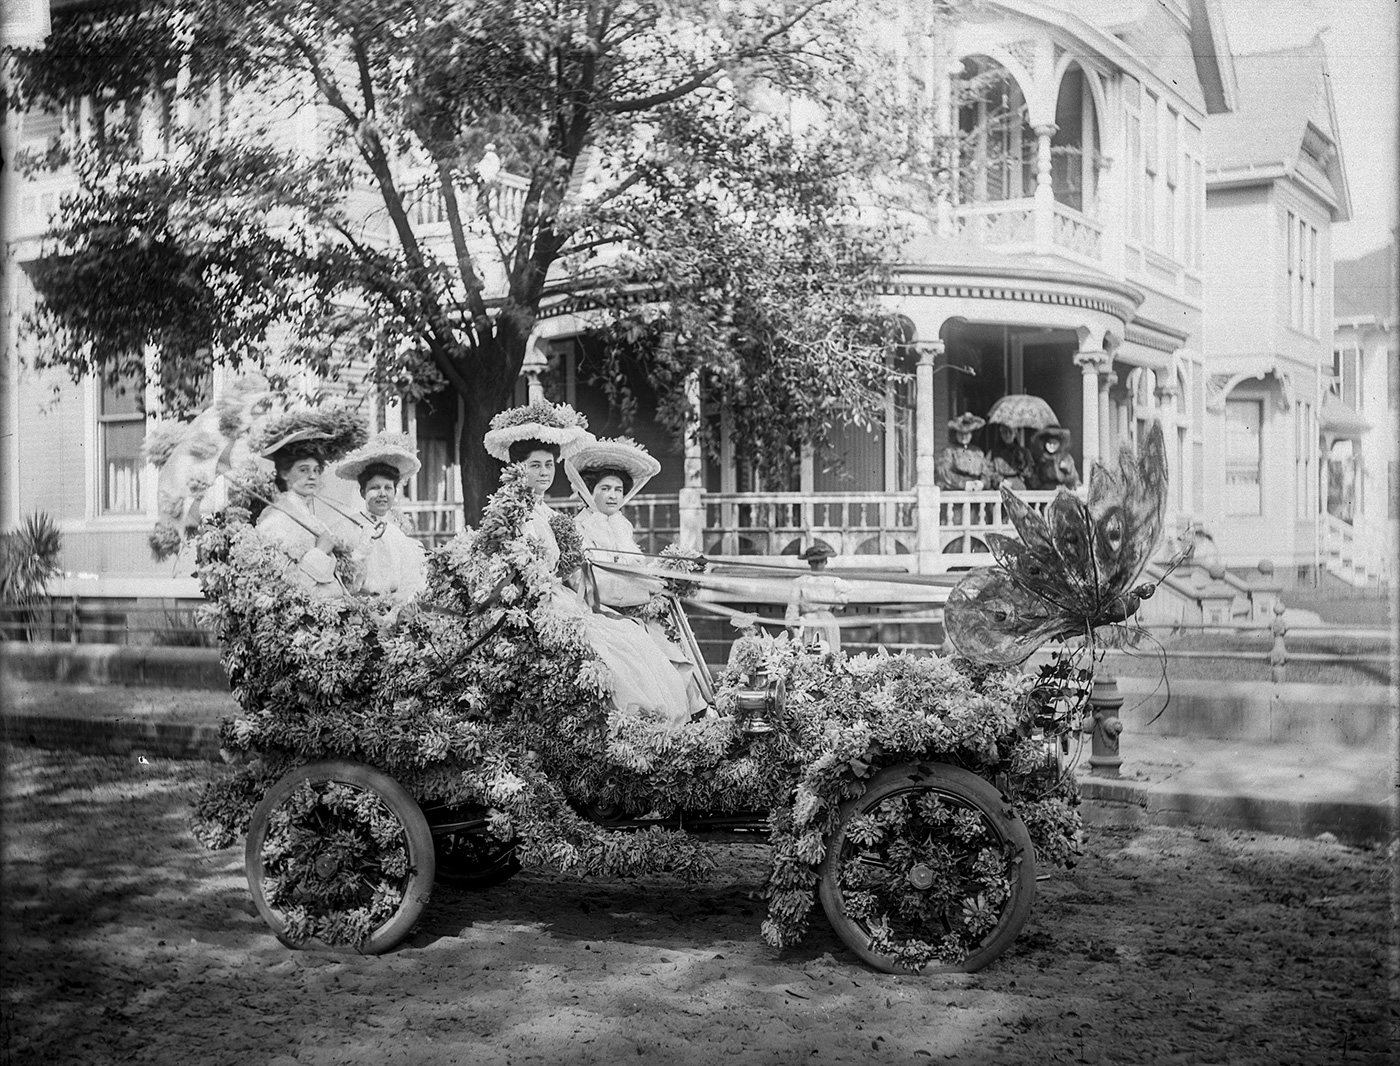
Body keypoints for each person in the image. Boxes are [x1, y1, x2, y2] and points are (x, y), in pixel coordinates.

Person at [483, 408, 693, 727]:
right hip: (534, 607)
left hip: (566, 599)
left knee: (630, 637)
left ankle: (660, 725)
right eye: (534, 466)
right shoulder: (512, 511)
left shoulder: (550, 514)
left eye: (548, 465)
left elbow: (575, 570)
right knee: (618, 648)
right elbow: (514, 569)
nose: (543, 473)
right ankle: (634, 726)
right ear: (517, 468)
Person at [565, 437, 709, 717]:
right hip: (599, 613)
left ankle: (698, 717)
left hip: (633, 612)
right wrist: (647, 589)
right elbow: (596, 584)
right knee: (642, 661)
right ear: (587, 490)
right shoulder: (579, 529)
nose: (613, 495)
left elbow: (633, 568)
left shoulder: (622, 526)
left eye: (618, 489)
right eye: (604, 488)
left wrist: (664, 578)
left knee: (678, 657)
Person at [256, 428, 364, 599]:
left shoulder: (309, 516)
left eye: (316, 470)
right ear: (285, 473)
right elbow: (284, 585)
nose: (312, 476)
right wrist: (320, 551)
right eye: (304, 470)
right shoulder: (276, 518)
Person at [334, 432, 427, 608]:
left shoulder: (396, 534)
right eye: (375, 488)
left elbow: (409, 579)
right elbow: (345, 583)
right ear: (363, 492)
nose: (382, 494)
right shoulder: (346, 528)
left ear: (394, 493)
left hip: (393, 610)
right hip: (359, 610)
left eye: (388, 488)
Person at [784, 543, 851, 651]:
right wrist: (795, 626)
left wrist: (835, 600)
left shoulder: (833, 581)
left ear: (826, 562)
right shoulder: (800, 582)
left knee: (829, 655)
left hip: (828, 623)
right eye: (815, 562)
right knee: (810, 655)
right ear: (810, 562)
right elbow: (793, 607)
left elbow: (846, 595)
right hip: (808, 623)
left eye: (821, 561)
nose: (818, 565)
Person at [936, 413, 991, 491]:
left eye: (967, 433)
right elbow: (944, 474)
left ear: (972, 434)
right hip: (956, 494)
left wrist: (981, 483)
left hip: (976, 496)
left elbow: (986, 475)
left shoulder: (978, 452)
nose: (964, 437)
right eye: (961, 433)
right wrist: (964, 484)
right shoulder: (949, 451)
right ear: (956, 434)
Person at [987, 422, 1033, 490]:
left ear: (1015, 433)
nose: (1007, 435)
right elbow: (988, 471)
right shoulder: (993, 453)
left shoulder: (1024, 452)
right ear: (1001, 433)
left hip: (1018, 487)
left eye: (1010, 432)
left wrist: (1022, 463)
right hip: (999, 486)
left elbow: (1030, 474)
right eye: (1004, 432)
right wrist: (999, 480)